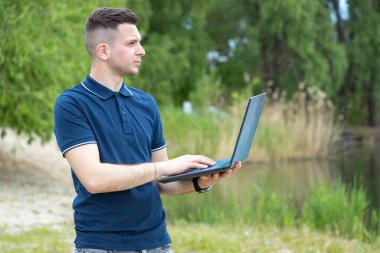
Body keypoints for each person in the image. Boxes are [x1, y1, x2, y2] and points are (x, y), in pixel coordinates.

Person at [54, 7, 242, 253]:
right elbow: (94, 179)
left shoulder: (146, 104)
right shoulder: (72, 104)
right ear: (103, 51)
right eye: (131, 43)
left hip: (157, 243)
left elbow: (161, 183)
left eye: (139, 43)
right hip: (102, 246)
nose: (141, 51)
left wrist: (201, 182)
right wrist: (164, 167)